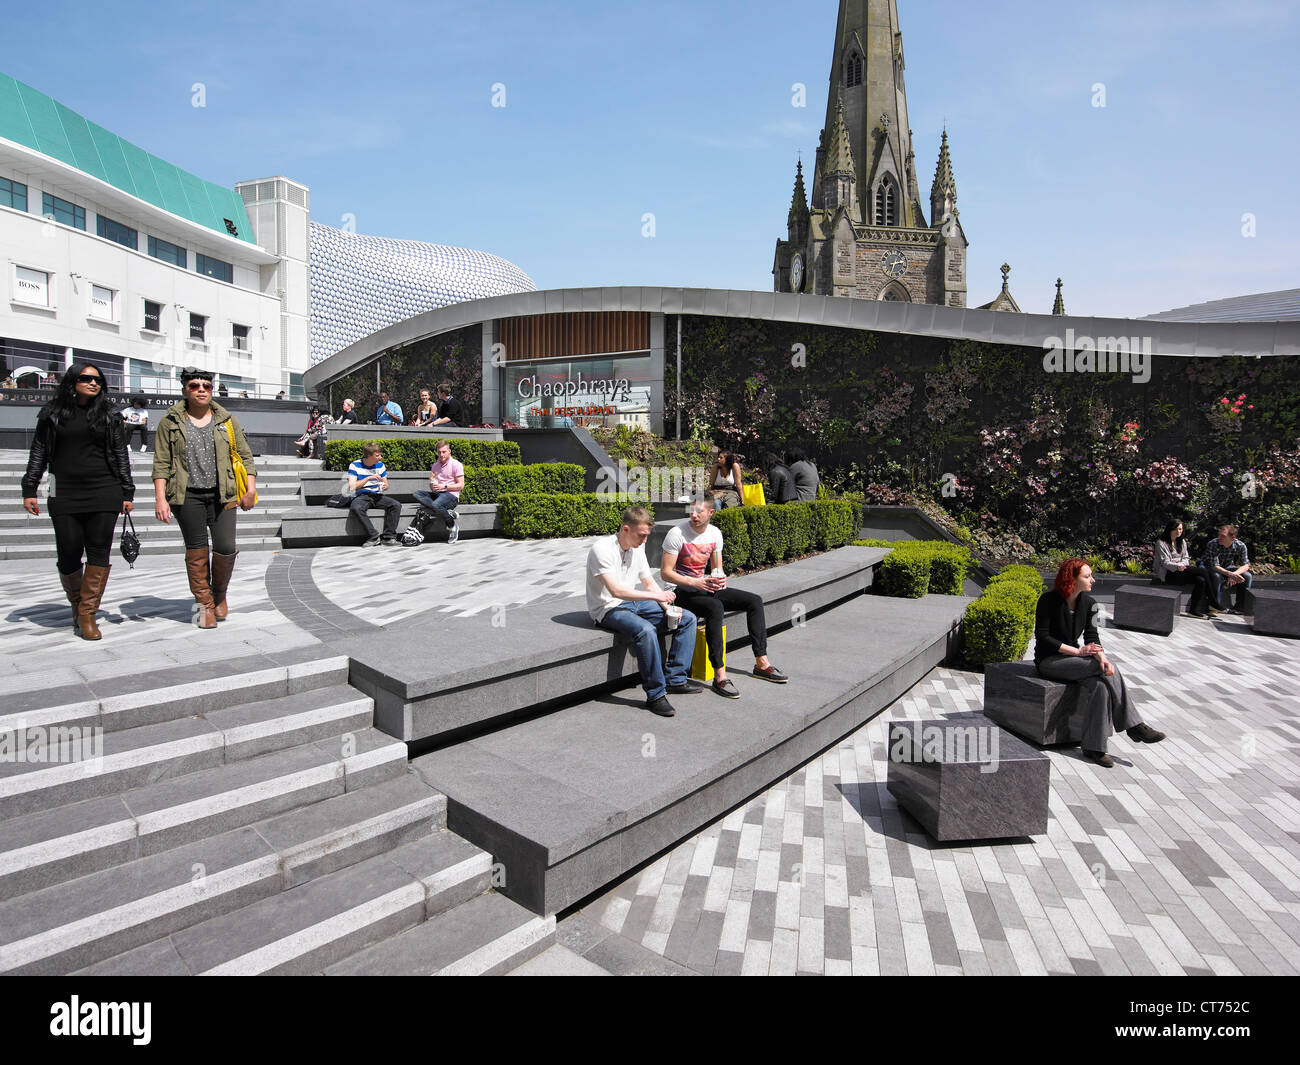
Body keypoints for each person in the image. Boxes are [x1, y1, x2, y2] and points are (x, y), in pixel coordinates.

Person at [21, 363, 135, 640]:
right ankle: (76, 604)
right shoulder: (52, 414)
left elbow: (120, 453)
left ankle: (87, 613)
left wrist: (127, 491)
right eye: (86, 379)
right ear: (72, 381)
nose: (93, 383)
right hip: (62, 489)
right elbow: (39, 451)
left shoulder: (109, 415)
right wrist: (30, 487)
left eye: (97, 380)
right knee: (69, 550)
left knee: (98, 552)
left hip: (104, 489)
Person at [1034, 558, 1167, 768]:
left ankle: (1094, 747)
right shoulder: (1048, 600)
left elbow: (1092, 637)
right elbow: (1043, 637)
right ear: (1072, 579)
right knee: (1100, 669)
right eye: (1087, 576)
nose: (1092, 580)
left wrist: (1103, 659)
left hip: (1074, 661)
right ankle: (1134, 725)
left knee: (1100, 687)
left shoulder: (1090, 604)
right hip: (1050, 660)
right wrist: (1078, 652)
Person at [152, 367, 258, 628]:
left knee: (225, 546)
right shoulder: (171, 421)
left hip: (224, 494)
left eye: (206, 386)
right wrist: (160, 498)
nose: (201, 389)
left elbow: (245, 455)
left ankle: (219, 595)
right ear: (185, 390)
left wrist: (251, 488)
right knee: (197, 552)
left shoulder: (226, 420)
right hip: (187, 496)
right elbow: (161, 462)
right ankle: (204, 606)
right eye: (195, 385)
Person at [661, 492, 788, 697]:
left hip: (702, 587)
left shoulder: (715, 533)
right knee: (715, 607)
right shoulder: (676, 534)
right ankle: (720, 675)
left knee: (754, 601)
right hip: (678, 591)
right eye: (691, 510)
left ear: (711, 512)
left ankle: (761, 663)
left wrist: (719, 577)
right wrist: (696, 581)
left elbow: (717, 567)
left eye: (699, 511)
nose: (693, 515)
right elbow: (666, 573)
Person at [587, 505, 702, 717]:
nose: (645, 541)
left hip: (634, 602)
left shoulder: (637, 548)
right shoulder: (601, 549)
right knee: (646, 630)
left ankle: (676, 679)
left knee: (687, 618)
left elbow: (649, 583)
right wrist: (657, 597)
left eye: (647, 535)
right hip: (607, 608)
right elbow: (616, 591)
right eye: (642, 535)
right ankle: (656, 695)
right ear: (625, 529)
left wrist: (668, 608)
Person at [1153, 519, 1212, 619]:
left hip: (1181, 570)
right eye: (1175, 529)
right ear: (1170, 529)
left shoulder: (1182, 542)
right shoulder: (1161, 543)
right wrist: (1177, 566)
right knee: (1202, 571)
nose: (1178, 531)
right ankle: (1213, 601)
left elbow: (1186, 558)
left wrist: (1182, 564)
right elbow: (1165, 562)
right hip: (1168, 573)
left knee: (1200, 580)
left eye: (1180, 529)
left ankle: (1194, 610)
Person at [347, 442, 401, 547]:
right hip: (361, 496)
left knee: (396, 505)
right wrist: (367, 478)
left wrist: (385, 486)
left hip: (377, 495)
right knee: (356, 508)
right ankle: (374, 536)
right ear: (368, 456)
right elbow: (352, 487)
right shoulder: (355, 465)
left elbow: (386, 484)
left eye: (380, 455)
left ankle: (388, 537)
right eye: (377, 455)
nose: (380, 458)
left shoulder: (380, 465)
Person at [411, 439, 464, 545]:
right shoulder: (435, 466)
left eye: (444, 452)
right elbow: (433, 487)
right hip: (438, 494)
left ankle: (452, 526)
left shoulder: (456, 465)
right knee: (417, 494)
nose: (441, 454)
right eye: (439, 452)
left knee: (436, 504)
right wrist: (432, 483)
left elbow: (461, 485)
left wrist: (444, 486)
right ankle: (446, 512)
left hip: (451, 495)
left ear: (449, 451)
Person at [1203, 524, 1252, 614]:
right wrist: (1230, 574)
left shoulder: (1240, 545)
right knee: (1217, 577)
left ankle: (1240, 607)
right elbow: (1214, 565)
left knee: (1247, 576)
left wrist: (1235, 574)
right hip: (1209, 567)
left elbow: (1246, 565)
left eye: (1223, 536)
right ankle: (1214, 606)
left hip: (1227, 567)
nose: (1219, 537)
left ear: (1232, 537)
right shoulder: (1213, 544)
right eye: (1219, 535)